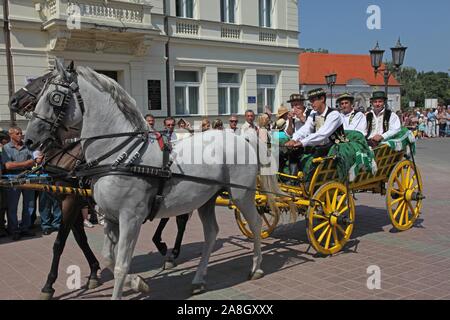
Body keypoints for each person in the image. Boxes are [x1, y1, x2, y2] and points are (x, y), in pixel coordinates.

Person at [1, 127, 37, 240]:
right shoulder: (6, 148)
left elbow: (34, 162)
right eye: (17, 133)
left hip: (27, 179)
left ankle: (25, 228)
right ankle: (14, 230)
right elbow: (8, 166)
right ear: (11, 135)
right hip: (12, 181)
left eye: (21, 133)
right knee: (12, 206)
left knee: (29, 205)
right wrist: (26, 163)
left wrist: (19, 164)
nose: (20, 135)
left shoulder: (27, 147)